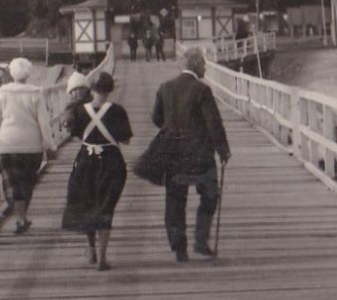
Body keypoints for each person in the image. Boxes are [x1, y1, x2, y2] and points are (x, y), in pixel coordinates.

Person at [150, 46, 230, 261]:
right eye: (203, 63)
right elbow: (213, 123)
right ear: (196, 65)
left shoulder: (165, 88)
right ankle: (201, 241)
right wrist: (223, 150)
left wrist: (172, 126)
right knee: (210, 195)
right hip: (201, 155)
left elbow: (156, 119)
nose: (205, 67)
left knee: (175, 199)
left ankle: (179, 247)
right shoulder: (202, 90)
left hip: (174, 154)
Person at [61, 71, 132, 270]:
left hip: (86, 161)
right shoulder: (118, 111)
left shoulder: (79, 111)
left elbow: (73, 132)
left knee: (88, 205)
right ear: (111, 89)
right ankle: (102, 256)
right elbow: (125, 139)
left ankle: (90, 247)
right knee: (106, 207)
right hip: (111, 162)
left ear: (91, 88)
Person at [0, 56, 56, 233]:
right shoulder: (36, 93)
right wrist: (49, 145)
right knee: (27, 183)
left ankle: (20, 217)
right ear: (28, 74)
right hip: (31, 147)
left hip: (6, 145)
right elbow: (44, 123)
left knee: (11, 183)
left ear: (10, 73)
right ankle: (22, 217)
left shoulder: (2, 93)